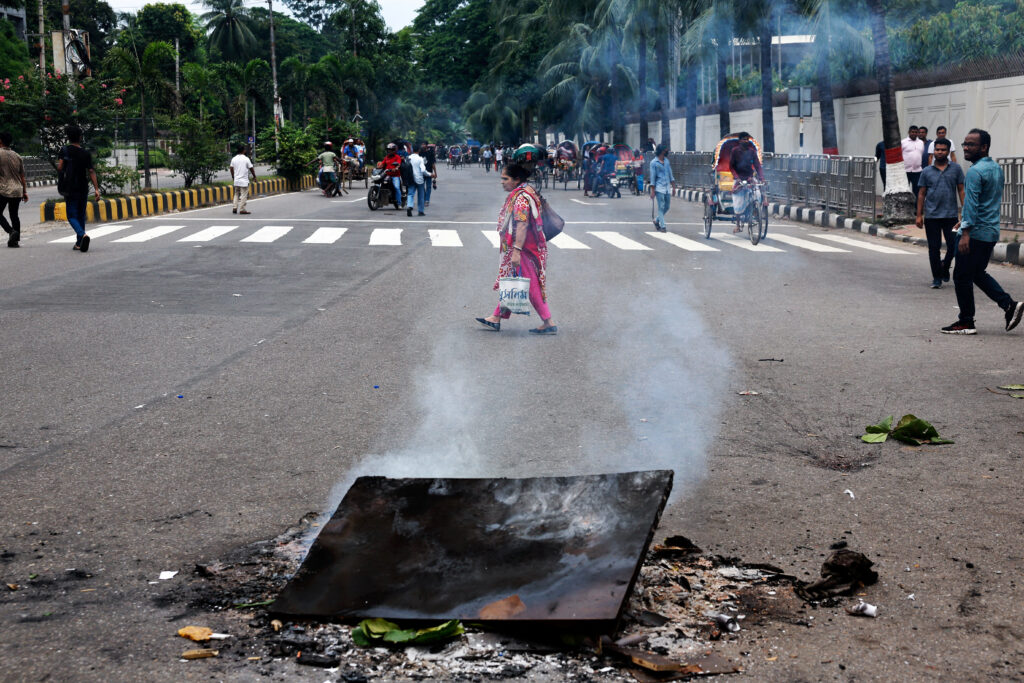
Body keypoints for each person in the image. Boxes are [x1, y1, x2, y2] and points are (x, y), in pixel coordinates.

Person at [941, 129, 1023, 335]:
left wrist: (966, 231)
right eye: (965, 144)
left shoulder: (975, 172)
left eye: (971, 144)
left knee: (961, 276)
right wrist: (965, 221)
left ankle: (966, 321)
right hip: (990, 231)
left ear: (984, 147)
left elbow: (972, 202)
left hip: (976, 233)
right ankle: (1009, 305)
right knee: (976, 273)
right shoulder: (995, 168)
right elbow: (987, 202)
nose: (966, 148)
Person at [476, 163, 556, 335]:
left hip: (525, 248)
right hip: (529, 246)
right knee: (514, 281)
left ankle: (548, 321)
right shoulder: (528, 190)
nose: (502, 182)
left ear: (516, 180)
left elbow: (522, 224)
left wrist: (517, 251)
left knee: (530, 284)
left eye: (505, 179)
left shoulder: (520, 198)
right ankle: (496, 317)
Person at [916, 138, 964, 289]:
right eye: (937, 149)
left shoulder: (956, 169)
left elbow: (961, 190)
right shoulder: (926, 171)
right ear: (933, 151)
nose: (940, 152)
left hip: (951, 216)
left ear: (948, 151)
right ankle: (937, 277)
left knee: (954, 245)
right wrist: (919, 215)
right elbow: (921, 194)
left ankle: (945, 265)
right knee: (934, 248)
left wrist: (965, 212)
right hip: (931, 216)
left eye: (943, 149)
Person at [57, 125, 100, 252]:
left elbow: (60, 167)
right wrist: (97, 189)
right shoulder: (85, 153)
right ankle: (78, 243)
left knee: (71, 215)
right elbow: (91, 171)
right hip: (83, 186)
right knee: (81, 214)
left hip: (70, 187)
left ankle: (82, 235)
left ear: (68, 137)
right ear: (80, 137)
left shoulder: (64, 150)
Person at [728, 133, 764, 232]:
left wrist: (762, 178)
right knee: (738, 201)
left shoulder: (752, 152)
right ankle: (738, 225)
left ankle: (756, 212)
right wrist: (737, 178)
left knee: (757, 194)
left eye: (747, 139)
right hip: (739, 178)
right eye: (744, 139)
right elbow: (731, 166)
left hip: (749, 177)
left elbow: (757, 166)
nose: (746, 141)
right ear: (740, 141)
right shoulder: (735, 151)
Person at [0, 131, 28, 248]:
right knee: (14, 215)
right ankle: (15, 241)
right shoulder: (17, 156)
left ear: (0, 141)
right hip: (17, 189)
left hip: (4, 189)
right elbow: (22, 176)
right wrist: (25, 192)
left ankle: (11, 231)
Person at [649, 143, 675, 233]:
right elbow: (652, 178)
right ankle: (663, 226)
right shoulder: (653, 163)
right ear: (661, 151)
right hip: (659, 188)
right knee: (661, 207)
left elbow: (670, 174)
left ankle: (656, 220)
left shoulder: (667, 161)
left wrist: (674, 187)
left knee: (667, 207)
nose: (667, 151)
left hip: (667, 187)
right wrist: (652, 191)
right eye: (665, 150)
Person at [229, 144, 256, 214]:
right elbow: (251, 168)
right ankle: (242, 209)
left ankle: (234, 207)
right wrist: (254, 176)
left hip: (236, 180)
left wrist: (233, 176)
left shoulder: (234, 159)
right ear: (243, 150)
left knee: (236, 194)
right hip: (244, 181)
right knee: (243, 195)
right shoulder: (246, 159)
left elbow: (231, 168)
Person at [405, 145, 429, 217]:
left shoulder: (408, 158)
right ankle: (420, 211)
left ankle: (409, 206)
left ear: (412, 150)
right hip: (419, 179)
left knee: (410, 194)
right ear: (419, 150)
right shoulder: (420, 159)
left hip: (411, 178)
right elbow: (423, 170)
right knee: (421, 195)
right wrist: (430, 174)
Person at [901, 125, 925, 196]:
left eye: (915, 132)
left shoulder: (921, 142)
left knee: (917, 190)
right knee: (905, 190)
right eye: (912, 132)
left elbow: (921, 153)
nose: (914, 133)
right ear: (909, 132)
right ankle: (906, 206)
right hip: (905, 170)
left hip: (917, 171)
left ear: (918, 133)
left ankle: (916, 206)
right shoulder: (903, 142)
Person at [383, 143, 403, 209]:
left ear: (394, 150)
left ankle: (399, 203)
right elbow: (382, 164)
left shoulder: (397, 157)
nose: (389, 151)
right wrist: (378, 167)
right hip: (387, 175)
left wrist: (396, 168)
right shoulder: (386, 157)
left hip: (395, 176)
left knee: (397, 187)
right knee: (380, 184)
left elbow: (398, 164)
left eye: (390, 150)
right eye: (388, 150)